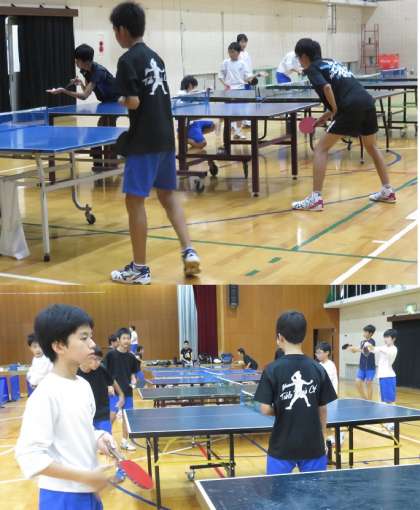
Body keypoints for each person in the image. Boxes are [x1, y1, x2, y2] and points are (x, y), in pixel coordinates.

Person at [109, 2, 201, 284]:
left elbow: (134, 101)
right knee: (168, 196)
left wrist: (121, 99)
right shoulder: (156, 57)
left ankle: (139, 269)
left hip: (144, 141)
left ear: (122, 30)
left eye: (115, 30)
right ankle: (189, 250)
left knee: (134, 201)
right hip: (165, 137)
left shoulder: (127, 60)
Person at [15, 304, 116, 510]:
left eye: (91, 336)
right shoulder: (45, 394)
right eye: (84, 337)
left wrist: (97, 437)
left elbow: (77, 430)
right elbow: (29, 456)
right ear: (59, 346)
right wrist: (85, 477)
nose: (93, 344)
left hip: (89, 492)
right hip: (62, 498)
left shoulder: (83, 385)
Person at [292, 38, 396, 211]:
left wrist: (334, 109)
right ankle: (388, 190)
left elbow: (327, 88)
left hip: (350, 106)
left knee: (321, 149)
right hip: (367, 101)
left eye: (298, 58)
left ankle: (315, 199)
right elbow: (342, 88)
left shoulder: (312, 69)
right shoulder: (331, 62)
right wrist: (327, 114)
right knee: (371, 146)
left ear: (304, 56)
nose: (299, 61)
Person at [254, 310, 337, 474]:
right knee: (314, 489)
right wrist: (323, 437)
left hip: (282, 446)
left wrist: (281, 408)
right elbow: (322, 408)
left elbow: (264, 409)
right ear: (304, 336)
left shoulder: (271, 370)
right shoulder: (318, 369)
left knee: (278, 490)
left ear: (280, 337)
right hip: (313, 446)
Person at [47, 44, 120, 174]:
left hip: (116, 102)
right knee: (100, 131)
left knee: (107, 129)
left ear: (84, 61)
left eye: (77, 59)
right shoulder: (85, 70)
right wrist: (80, 83)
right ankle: (101, 164)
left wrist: (64, 91)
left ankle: (111, 164)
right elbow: (86, 90)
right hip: (106, 103)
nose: (75, 61)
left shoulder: (98, 71)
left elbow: (84, 96)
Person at [103, 327, 139, 450]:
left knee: (127, 418)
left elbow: (133, 372)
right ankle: (105, 442)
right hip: (115, 392)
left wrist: (133, 379)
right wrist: (108, 385)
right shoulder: (111, 355)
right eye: (124, 338)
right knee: (112, 417)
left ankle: (124, 441)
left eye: (128, 338)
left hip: (127, 392)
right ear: (118, 339)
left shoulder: (131, 357)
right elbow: (104, 372)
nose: (126, 341)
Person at [218, 41, 260, 139]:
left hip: (240, 90)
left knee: (240, 112)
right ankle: (225, 130)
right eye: (229, 52)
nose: (231, 54)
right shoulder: (225, 62)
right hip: (229, 91)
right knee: (228, 112)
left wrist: (256, 74)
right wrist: (225, 84)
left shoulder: (242, 63)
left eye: (233, 52)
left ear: (238, 52)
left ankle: (237, 132)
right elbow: (220, 75)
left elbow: (247, 78)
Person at [78, 347, 124, 433]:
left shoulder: (101, 369)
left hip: (102, 412)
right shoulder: (75, 373)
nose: (98, 363)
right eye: (95, 359)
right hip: (85, 415)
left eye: (99, 360)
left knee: (107, 437)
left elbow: (112, 381)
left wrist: (121, 395)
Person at [365, 329, 398, 430]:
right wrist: (367, 345)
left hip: (388, 377)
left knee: (389, 401)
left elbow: (383, 351)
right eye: (384, 337)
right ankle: (387, 421)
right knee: (383, 401)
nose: (385, 339)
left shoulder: (393, 349)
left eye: (387, 337)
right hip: (382, 377)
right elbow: (372, 350)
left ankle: (392, 422)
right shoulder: (383, 347)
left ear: (393, 339)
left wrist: (373, 347)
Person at [178, 75, 216, 148]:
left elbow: (196, 93)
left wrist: (205, 91)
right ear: (190, 85)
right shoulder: (182, 96)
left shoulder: (187, 93)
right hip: (187, 125)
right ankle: (183, 138)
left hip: (194, 122)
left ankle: (194, 136)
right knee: (203, 143)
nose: (194, 88)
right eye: (194, 86)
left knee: (212, 125)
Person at [345, 324, 376, 400]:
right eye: (364, 331)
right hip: (362, 367)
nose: (364, 333)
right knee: (357, 382)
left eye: (365, 332)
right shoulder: (363, 342)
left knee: (368, 383)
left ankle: (370, 401)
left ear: (370, 333)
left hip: (370, 367)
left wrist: (356, 349)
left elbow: (366, 352)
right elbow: (356, 350)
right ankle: (365, 399)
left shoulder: (372, 342)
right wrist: (351, 348)